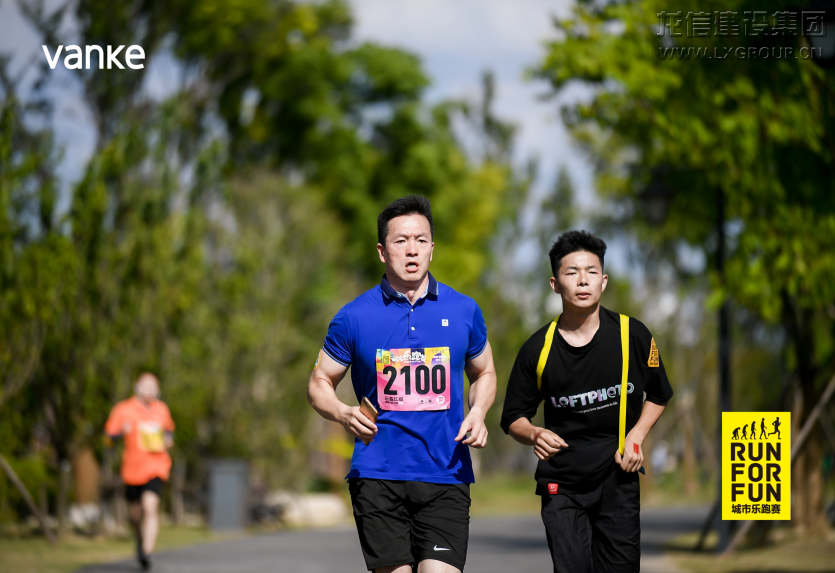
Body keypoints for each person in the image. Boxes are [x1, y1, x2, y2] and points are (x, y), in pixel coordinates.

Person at [308, 195, 497, 573]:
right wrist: (343, 413)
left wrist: (478, 411)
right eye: (400, 241)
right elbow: (318, 383)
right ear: (382, 251)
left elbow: (485, 372)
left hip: (446, 470)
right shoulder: (353, 316)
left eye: (421, 240)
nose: (412, 250)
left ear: (432, 248)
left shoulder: (464, 311)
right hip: (377, 472)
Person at [500, 230, 673, 573]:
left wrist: (636, 436)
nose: (582, 281)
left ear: (604, 281)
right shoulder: (538, 348)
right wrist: (534, 434)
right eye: (571, 272)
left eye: (591, 272)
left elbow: (659, 393)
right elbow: (513, 417)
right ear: (554, 283)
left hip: (618, 478)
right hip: (562, 482)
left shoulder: (632, 335)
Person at [105, 373, 175, 571]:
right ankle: (141, 540)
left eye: (153, 387)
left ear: (157, 390)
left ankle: (147, 551)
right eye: (146, 386)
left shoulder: (161, 410)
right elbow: (108, 438)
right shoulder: (124, 409)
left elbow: (170, 431)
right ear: (137, 387)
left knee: (150, 508)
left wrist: (168, 439)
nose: (149, 390)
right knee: (135, 516)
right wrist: (120, 433)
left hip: (156, 466)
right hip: (132, 470)